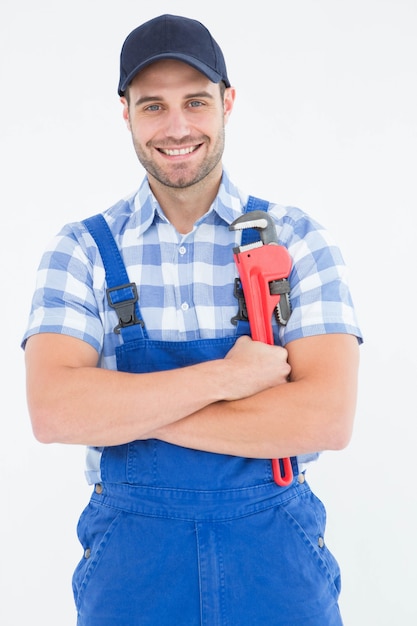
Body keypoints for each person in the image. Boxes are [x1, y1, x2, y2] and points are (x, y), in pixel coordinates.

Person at [22, 13, 362, 626]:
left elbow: (327, 419)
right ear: (124, 111)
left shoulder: (297, 241)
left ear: (228, 103)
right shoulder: (80, 251)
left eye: (196, 102)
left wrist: (129, 411)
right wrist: (226, 381)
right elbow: (54, 412)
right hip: (134, 571)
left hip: (275, 564)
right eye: (153, 106)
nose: (177, 128)